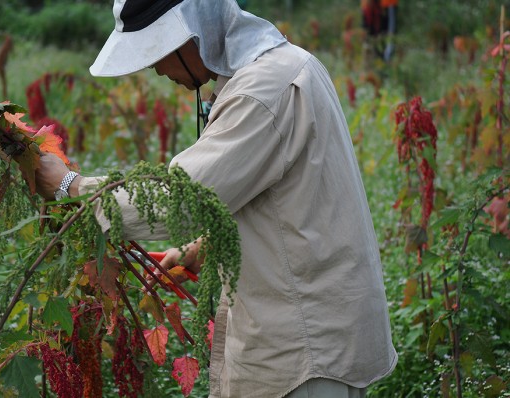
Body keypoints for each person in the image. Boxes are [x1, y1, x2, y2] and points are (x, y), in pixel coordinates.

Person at [35, 1, 398, 397]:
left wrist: (71, 184)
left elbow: (181, 200)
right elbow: (286, 197)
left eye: (158, 52)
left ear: (193, 34)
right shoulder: (287, 65)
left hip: (303, 344)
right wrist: (203, 246)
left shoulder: (263, 91)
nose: (156, 68)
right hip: (309, 328)